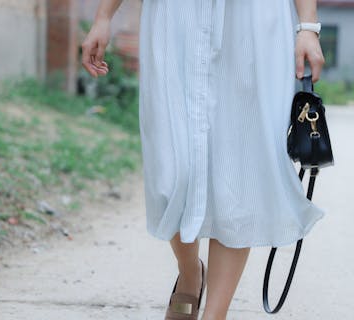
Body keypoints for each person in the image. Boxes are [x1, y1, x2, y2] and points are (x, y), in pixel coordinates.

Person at [82, 0, 326, 319]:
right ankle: (190, 273)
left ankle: (215, 314)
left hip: (253, 23)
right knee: (171, 174)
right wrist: (104, 16)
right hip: (176, 19)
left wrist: (307, 26)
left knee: (239, 172)